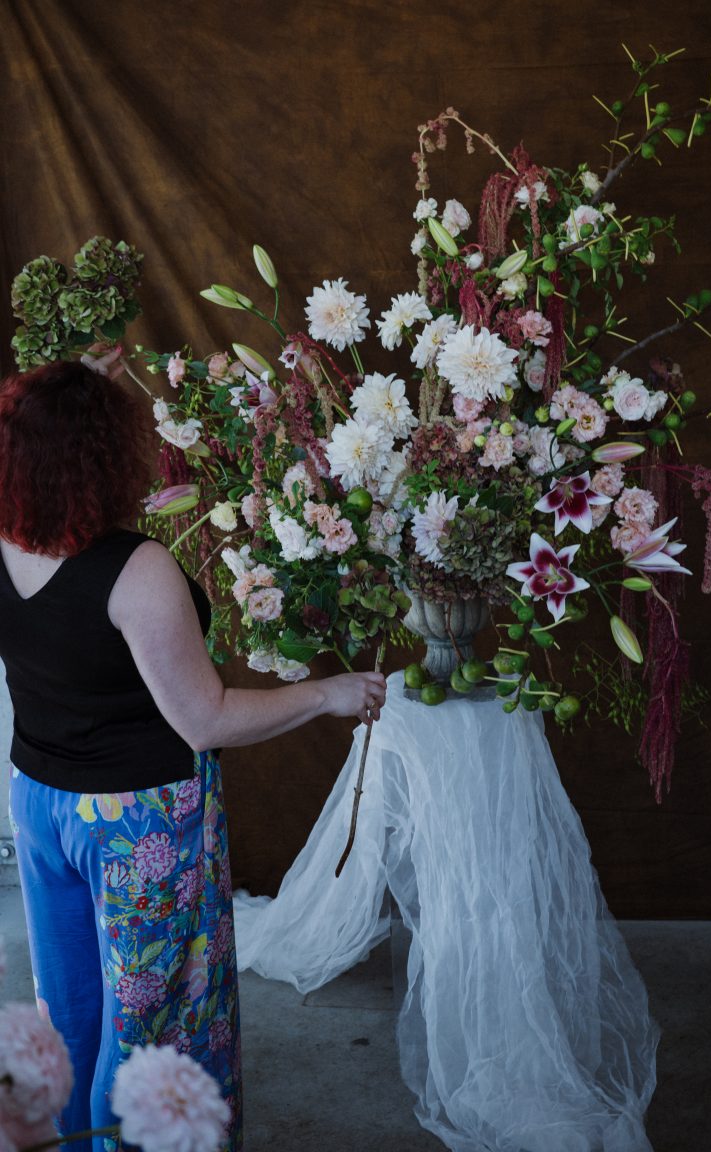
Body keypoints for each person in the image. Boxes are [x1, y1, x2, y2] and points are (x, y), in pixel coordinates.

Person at [0, 355, 386, 1152]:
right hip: (137, 824)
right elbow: (204, 720)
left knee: (68, 1006)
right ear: (106, 459)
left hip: (39, 800)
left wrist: (59, 387)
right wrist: (327, 693)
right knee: (151, 1027)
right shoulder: (135, 570)